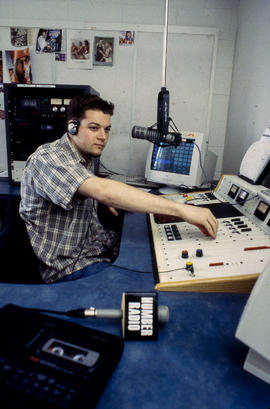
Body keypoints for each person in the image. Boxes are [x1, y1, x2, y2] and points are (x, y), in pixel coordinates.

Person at [19, 94, 218, 284]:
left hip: (95, 246)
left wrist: (101, 200)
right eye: (94, 128)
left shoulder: (83, 157)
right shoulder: (48, 158)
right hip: (71, 267)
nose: (103, 137)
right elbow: (104, 190)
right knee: (143, 288)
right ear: (72, 127)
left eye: (107, 129)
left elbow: (94, 189)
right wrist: (182, 209)